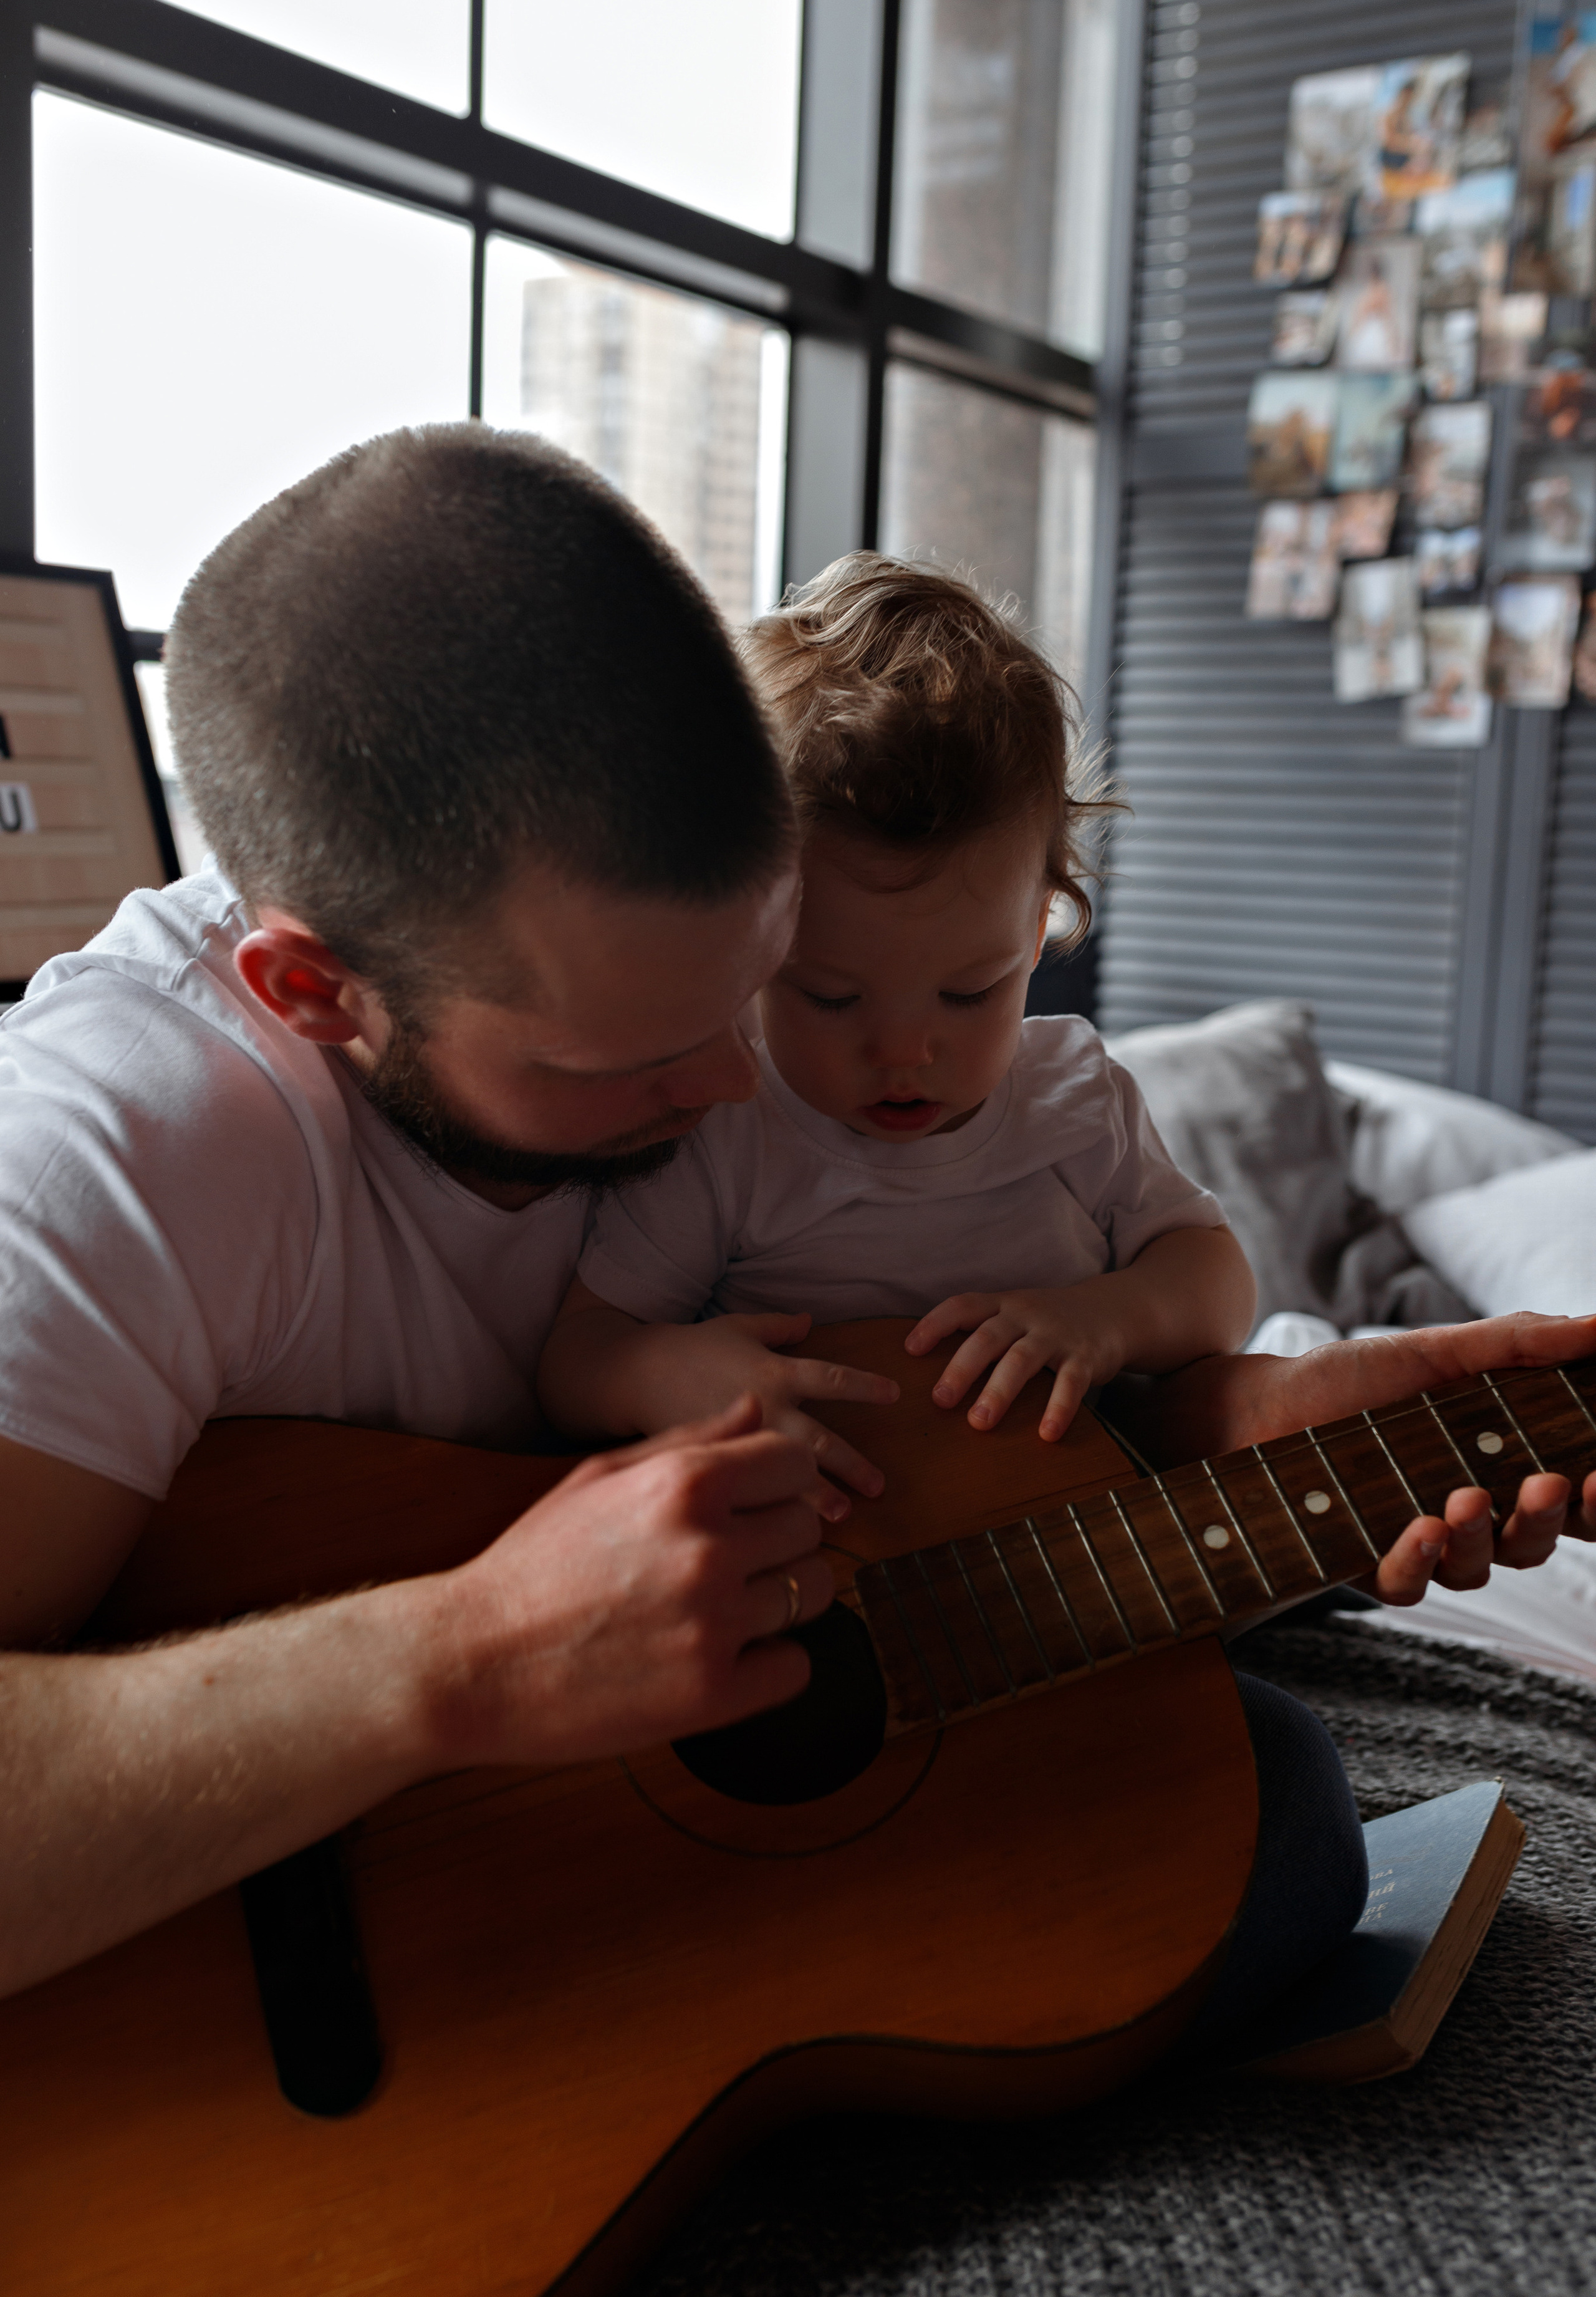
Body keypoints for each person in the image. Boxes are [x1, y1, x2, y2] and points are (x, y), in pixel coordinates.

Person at [0, 426, 1590, 2018]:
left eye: (757, 982)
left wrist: (1224, 1421)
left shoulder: (809, 1058)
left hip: (708, 1826)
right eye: (625, 1055)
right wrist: (469, 1653)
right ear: (314, 993)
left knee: (1253, 1826)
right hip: (316, 2024)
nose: (729, 1088)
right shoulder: (107, 1154)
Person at [537, 553, 1256, 1493]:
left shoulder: (1077, 1100)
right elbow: (576, 1357)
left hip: (1072, 1542)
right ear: (747, 948)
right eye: (832, 997)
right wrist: (668, 1374)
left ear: (1038, 931)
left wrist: (1107, 1320)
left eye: (971, 993)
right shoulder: (727, 1129)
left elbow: (1219, 1284)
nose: (906, 1053)